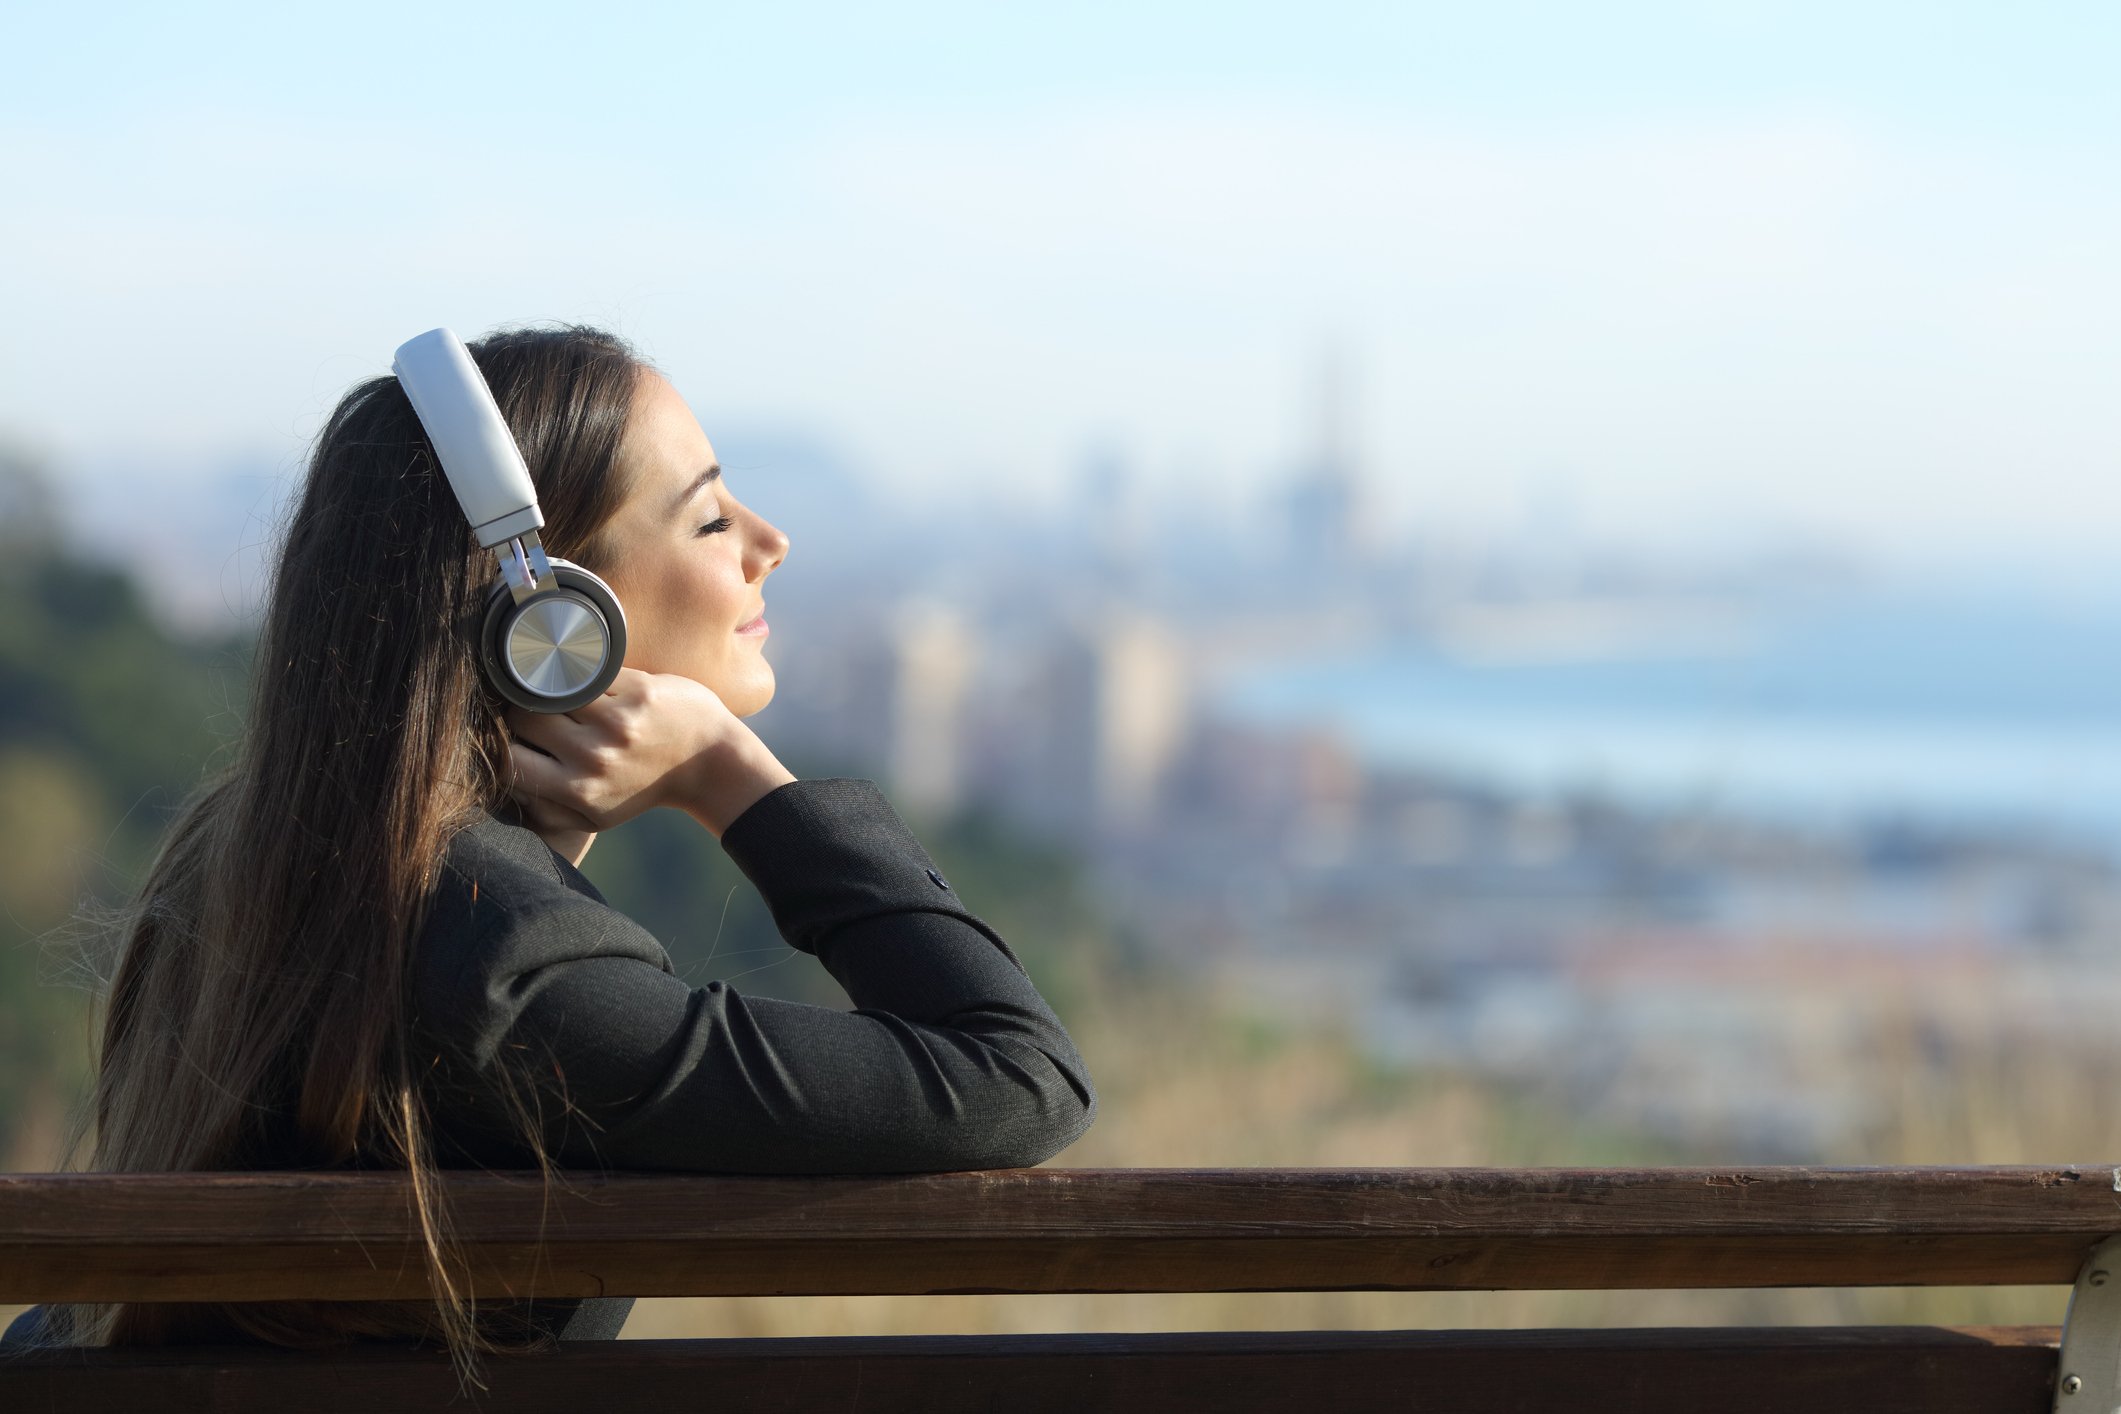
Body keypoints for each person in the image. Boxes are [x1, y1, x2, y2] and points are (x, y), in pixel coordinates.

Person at [0, 325, 1096, 1371]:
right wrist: (735, 777)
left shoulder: (239, 858)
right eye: (711, 522)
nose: (770, 544)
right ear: (551, 618)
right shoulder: (507, 965)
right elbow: (1017, 1075)